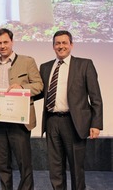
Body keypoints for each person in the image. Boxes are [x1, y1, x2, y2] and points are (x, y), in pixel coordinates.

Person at [37, 30, 103, 190]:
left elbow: (95, 97)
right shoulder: (45, 67)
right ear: (53, 46)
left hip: (74, 123)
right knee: (55, 168)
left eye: (64, 43)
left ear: (71, 45)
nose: (61, 46)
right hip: (52, 122)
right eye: (57, 43)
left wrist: (96, 123)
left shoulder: (84, 64)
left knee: (76, 168)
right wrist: (18, 93)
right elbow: (38, 92)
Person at [0, 28, 43, 190]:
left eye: (5, 42)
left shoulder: (27, 61)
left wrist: (22, 87)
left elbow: (39, 86)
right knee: (2, 164)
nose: (2, 46)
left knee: (23, 163)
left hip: (19, 122)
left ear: (12, 42)